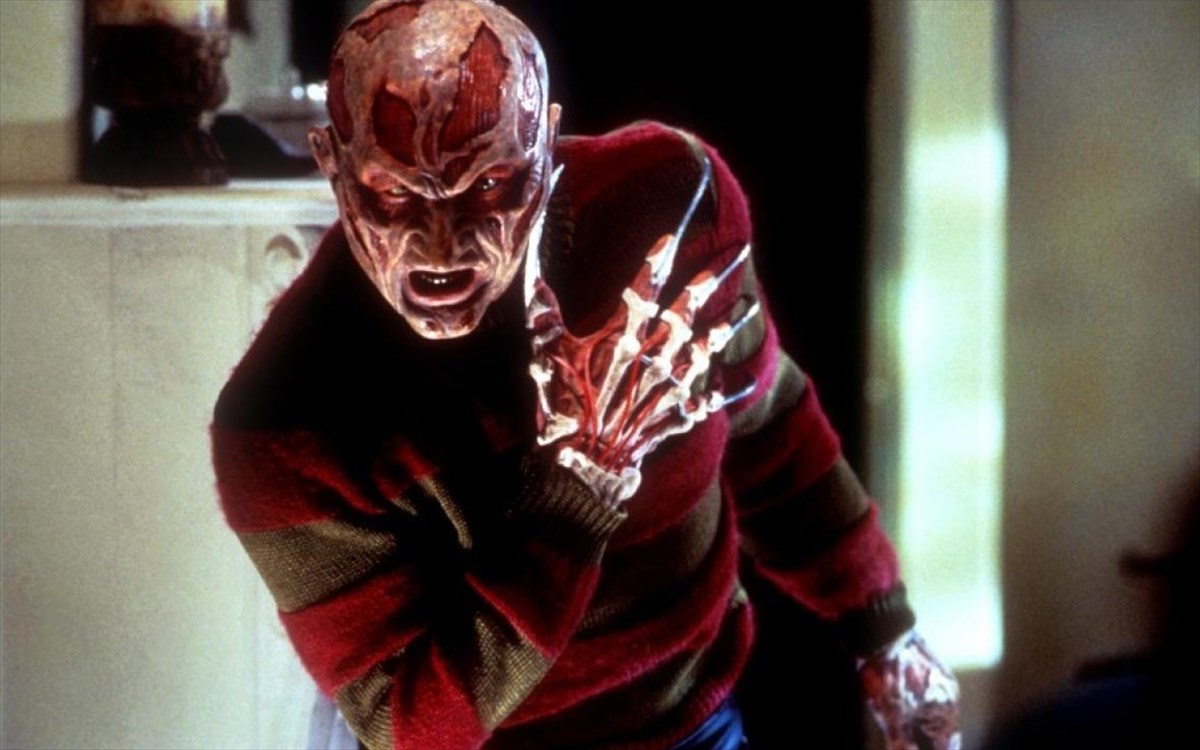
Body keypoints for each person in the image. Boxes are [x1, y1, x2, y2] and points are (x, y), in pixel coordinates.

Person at [210, 1, 960, 748]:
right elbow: (409, 726)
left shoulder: (667, 212)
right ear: (332, 164)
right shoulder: (284, 418)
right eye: (395, 195)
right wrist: (577, 494)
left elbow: (769, 426)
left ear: (546, 147)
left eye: (490, 185)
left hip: (696, 719)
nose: (442, 249)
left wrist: (886, 631)